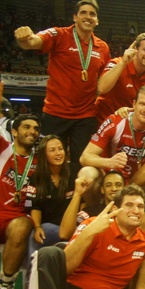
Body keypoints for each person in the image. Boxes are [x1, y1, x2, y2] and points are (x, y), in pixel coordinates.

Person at [14, 0, 111, 175]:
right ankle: (46, 199)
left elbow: (105, 80)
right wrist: (25, 38)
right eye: (83, 12)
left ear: (97, 20)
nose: (88, 17)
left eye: (92, 14)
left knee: (81, 164)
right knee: (47, 162)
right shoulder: (59, 34)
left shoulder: (102, 47)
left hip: (85, 115)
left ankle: (77, 199)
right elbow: (33, 42)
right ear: (75, 17)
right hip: (56, 112)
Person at [27, 184, 145, 289]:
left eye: (140, 206)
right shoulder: (94, 224)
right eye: (129, 205)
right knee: (48, 254)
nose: (136, 211)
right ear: (115, 208)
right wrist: (90, 232)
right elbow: (65, 268)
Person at [79, 85, 145, 184]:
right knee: (87, 172)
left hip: (137, 180)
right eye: (142, 104)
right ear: (134, 104)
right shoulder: (115, 122)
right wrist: (109, 162)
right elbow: (85, 157)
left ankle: (142, 200)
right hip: (109, 176)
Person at [0, 114, 40, 289]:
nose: (32, 131)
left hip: (18, 218)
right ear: (14, 132)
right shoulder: (3, 149)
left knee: (20, 227)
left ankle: (5, 285)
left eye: (36, 128)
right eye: (27, 127)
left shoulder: (41, 161)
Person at [24, 136, 75, 259]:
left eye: (60, 149)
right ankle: (32, 275)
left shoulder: (74, 171)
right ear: (44, 155)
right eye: (52, 150)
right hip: (48, 227)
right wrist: (37, 227)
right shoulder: (36, 177)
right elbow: (33, 206)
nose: (58, 153)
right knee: (38, 235)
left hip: (72, 227)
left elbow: (83, 204)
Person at [95, 33, 145, 124]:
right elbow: (102, 88)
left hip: (128, 123)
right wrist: (123, 63)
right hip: (103, 120)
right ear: (135, 49)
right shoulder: (117, 63)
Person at [59, 170, 123, 240]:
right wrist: (77, 194)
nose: (114, 189)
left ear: (124, 188)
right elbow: (64, 234)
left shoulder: (131, 211)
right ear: (102, 190)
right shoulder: (90, 212)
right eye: (108, 185)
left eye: (118, 185)